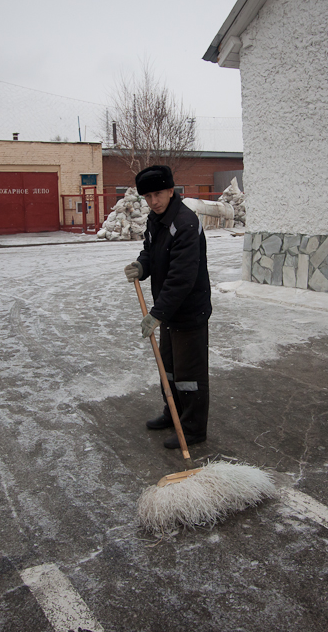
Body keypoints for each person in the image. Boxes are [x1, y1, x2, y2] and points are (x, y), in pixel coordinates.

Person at [124, 165, 211, 448]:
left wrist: (157, 313)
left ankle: (193, 429)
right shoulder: (156, 220)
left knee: (189, 375)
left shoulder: (185, 222)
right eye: (148, 197)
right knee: (169, 369)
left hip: (188, 311)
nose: (153, 201)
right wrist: (141, 265)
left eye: (158, 194)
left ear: (171, 191)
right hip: (169, 311)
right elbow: (150, 252)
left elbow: (182, 277)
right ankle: (173, 415)